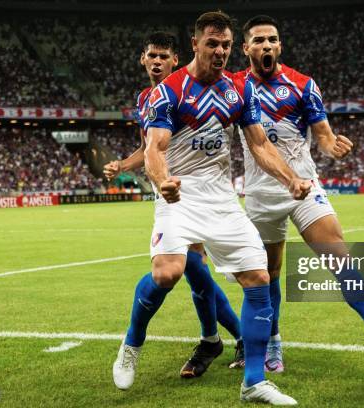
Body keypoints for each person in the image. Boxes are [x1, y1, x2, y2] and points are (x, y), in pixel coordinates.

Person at [112, 11, 313, 405]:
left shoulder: (238, 92)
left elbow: (259, 144)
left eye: (225, 45)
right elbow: (155, 148)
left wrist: (289, 177)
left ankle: (254, 382)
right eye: (212, 44)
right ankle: (132, 343)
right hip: (179, 194)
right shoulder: (168, 91)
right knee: (168, 273)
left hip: (222, 197)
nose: (220, 52)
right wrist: (162, 180)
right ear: (195, 44)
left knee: (257, 278)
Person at [237, 15, 364, 372]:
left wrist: (332, 146)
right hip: (260, 193)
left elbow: (323, 133)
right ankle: (273, 343)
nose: (266, 45)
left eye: (272, 39)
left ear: (280, 45)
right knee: (268, 273)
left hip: (303, 187)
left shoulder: (302, 84)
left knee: (340, 258)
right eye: (258, 40)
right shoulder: (234, 86)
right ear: (246, 48)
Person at [104, 32, 245, 377]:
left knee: (195, 273)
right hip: (171, 196)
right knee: (187, 273)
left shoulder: (191, 90)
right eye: (151, 55)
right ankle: (224, 339)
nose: (156, 61)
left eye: (163, 56)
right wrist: (123, 165)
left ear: (175, 61)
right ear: (142, 59)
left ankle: (220, 340)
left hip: (202, 194)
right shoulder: (145, 99)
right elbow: (148, 147)